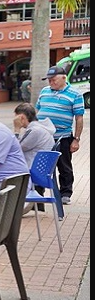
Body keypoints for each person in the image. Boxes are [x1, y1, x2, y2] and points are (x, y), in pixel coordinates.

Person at [35, 65, 85, 205]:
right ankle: (38, 193)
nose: (51, 82)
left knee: (64, 167)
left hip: (62, 137)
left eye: (53, 79)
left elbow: (79, 118)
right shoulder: (44, 91)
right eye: (49, 80)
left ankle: (65, 193)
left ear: (64, 78)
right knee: (41, 165)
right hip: (43, 137)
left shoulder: (75, 94)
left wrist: (76, 139)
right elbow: (37, 110)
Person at [12, 102, 56, 172]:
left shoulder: (35, 131)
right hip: (40, 166)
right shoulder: (39, 128)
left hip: (32, 168)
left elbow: (16, 148)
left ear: (22, 117)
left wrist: (17, 129)